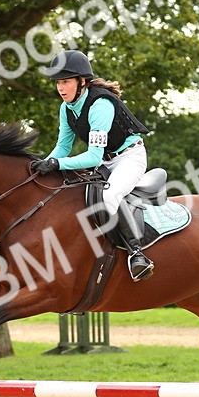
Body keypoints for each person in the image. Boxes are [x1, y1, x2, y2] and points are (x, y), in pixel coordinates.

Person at [30, 49, 155, 281]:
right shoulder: (66, 108)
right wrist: (45, 164)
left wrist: (57, 163)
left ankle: (137, 254)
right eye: (58, 82)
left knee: (109, 196)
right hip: (106, 162)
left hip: (129, 158)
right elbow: (63, 148)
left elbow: (93, 157)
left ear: (82, 81)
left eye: (66, 82)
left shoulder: (100, 105)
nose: (60, 88)